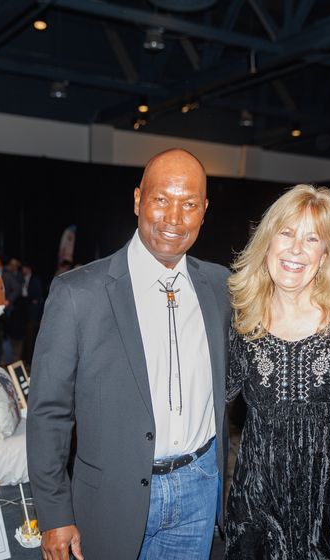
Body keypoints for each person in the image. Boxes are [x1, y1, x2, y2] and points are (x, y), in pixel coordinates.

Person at [27, 148, 230, 560]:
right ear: (138, 200)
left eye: (189, 204)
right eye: (161, 200)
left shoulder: (222, 287)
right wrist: (53, 514)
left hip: (199, 491)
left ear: (204, 210)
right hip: (111, 501)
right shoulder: (77, 293)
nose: (174, 218)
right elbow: (49, 412)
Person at [225, 184, 330, 558]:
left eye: (312, 239)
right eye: (287, 233)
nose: (296, 249)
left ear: (325, 254)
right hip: (259, 509)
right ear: (267, 241)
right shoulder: (242, 322)